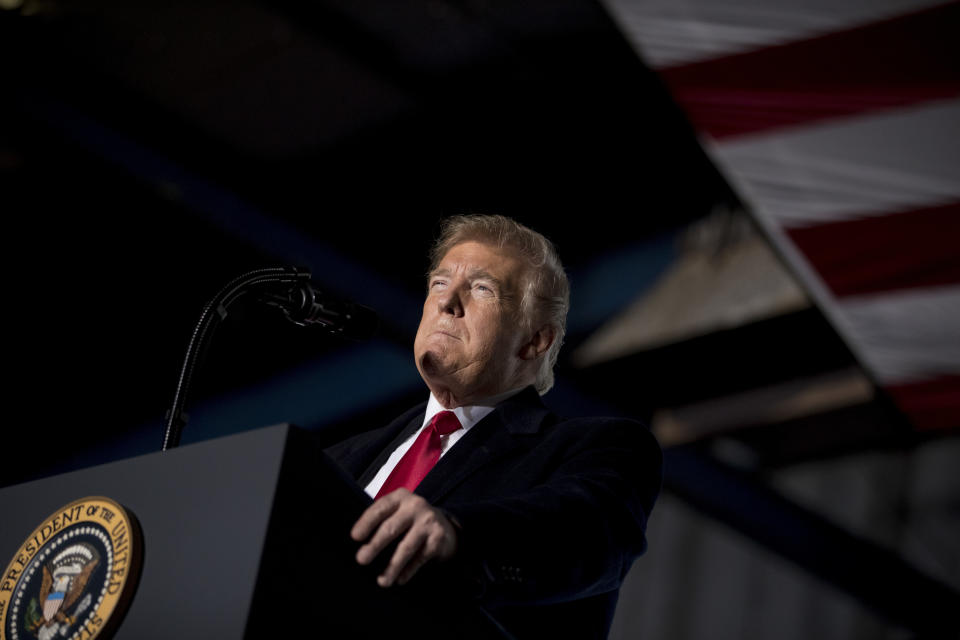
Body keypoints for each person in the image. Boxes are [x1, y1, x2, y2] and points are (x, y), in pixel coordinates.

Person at [326, 215, 661, 639]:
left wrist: (459, 532)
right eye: (439, 284)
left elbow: (585, 533)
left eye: (481, 289)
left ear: (535, 340)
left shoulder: (600, 446)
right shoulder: (337, 457)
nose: (448, 302)